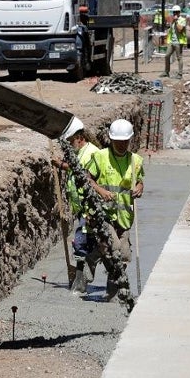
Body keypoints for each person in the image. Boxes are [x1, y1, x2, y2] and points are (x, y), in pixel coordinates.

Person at [86, 118, 145, 307]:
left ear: (130, 141)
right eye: (117, 142)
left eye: (124, 142)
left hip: (124, 216)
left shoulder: (135, 161)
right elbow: (86, 179)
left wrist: (139, 187)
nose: (121, 145)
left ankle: (111, 292)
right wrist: (101, 191)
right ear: (111, 140)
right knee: (114, 249)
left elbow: (140, 181)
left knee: (125, 255)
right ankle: (95, 256)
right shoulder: (101, 157)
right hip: (103, 214)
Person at [52, 116, 100, 294]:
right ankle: (82, 279)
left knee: (82, 241)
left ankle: (82, 280)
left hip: (89, 206)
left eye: (71, 140)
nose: (70, 144)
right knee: (82, 241)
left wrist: (63, 166)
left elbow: (85, 174)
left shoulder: (92, 153)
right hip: (80, 207)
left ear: (80, 137)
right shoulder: (80, 152)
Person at [164, 5, 188, 78]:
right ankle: (166, 72)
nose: (175, 14)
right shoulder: (173, 21)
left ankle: (180, 74)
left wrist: (176, 21)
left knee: (179, 58)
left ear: (179, 12)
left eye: (176, 12)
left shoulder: (182, 20)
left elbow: (180, 29)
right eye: (174, 12)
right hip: (172, 41)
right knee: (167, 56)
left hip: (178, 42)